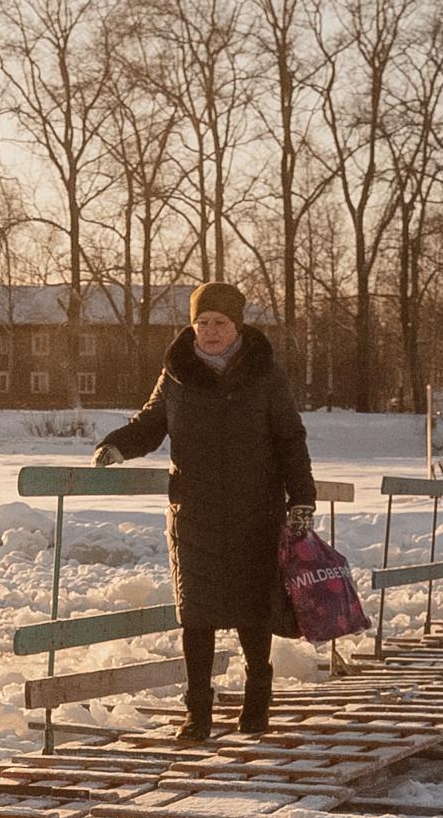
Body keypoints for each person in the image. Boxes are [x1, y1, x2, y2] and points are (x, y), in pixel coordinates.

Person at [94, 281, 315, 744]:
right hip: (194, 512)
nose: (210, 331)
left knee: (254, 609)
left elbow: (290, 439)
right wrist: (116, 445)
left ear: (237, 326)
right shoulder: (176, 372)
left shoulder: (266, 374)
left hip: (256, 509)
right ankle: (198, 713)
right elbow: (150, 425)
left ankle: (257, 700)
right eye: (202, 322)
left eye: (220, 323)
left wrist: (302, 499)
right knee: (196, 612)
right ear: (192, 325)